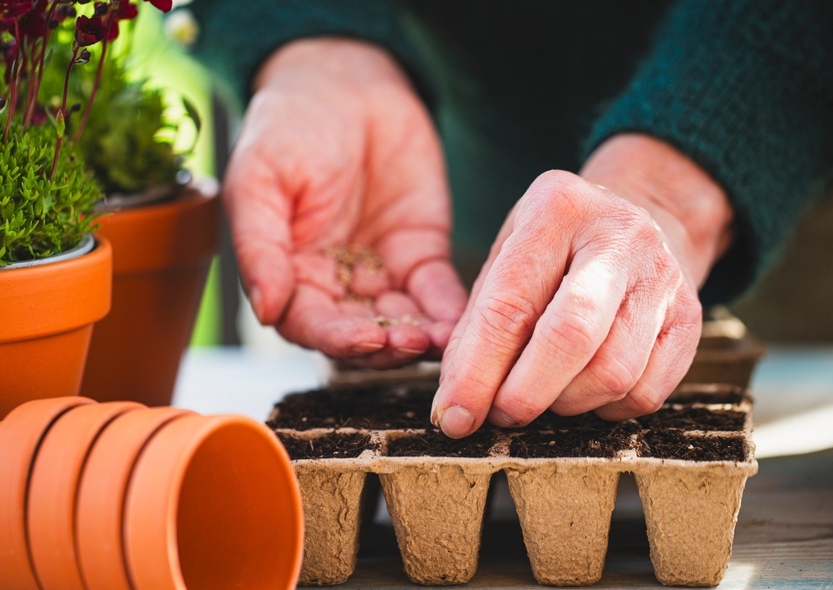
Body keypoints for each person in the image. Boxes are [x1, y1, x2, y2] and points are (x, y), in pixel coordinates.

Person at [182, 0, 833, 438]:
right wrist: (314, 45)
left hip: (781, 177)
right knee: (492, 345)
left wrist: (668, 186)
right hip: (440, 191)